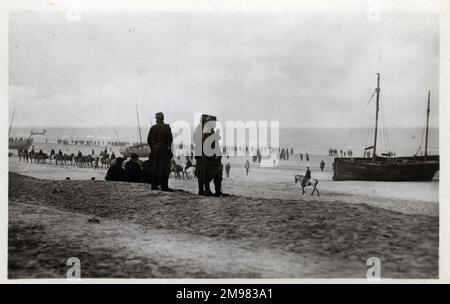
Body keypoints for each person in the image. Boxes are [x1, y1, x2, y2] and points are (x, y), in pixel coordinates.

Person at [196, 114, 224, 196]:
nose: (215, 124)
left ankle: (210, 191)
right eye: (214, 122)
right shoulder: (208, 132)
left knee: (206, 174)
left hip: (208, 157)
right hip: (209, 157)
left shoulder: (207, 131)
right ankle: (211, 191)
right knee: (213, 174)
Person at [147, 112, 173, 191]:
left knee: (155, 167)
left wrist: (153, 148)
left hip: (155, 150)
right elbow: (170, 140)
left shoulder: (153, 128)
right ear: (163, 118)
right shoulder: (167, 128)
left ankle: (154, 185)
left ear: (156, 119)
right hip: (164, 149)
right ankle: (164, 186)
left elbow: (148, 140)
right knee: (164, 168)